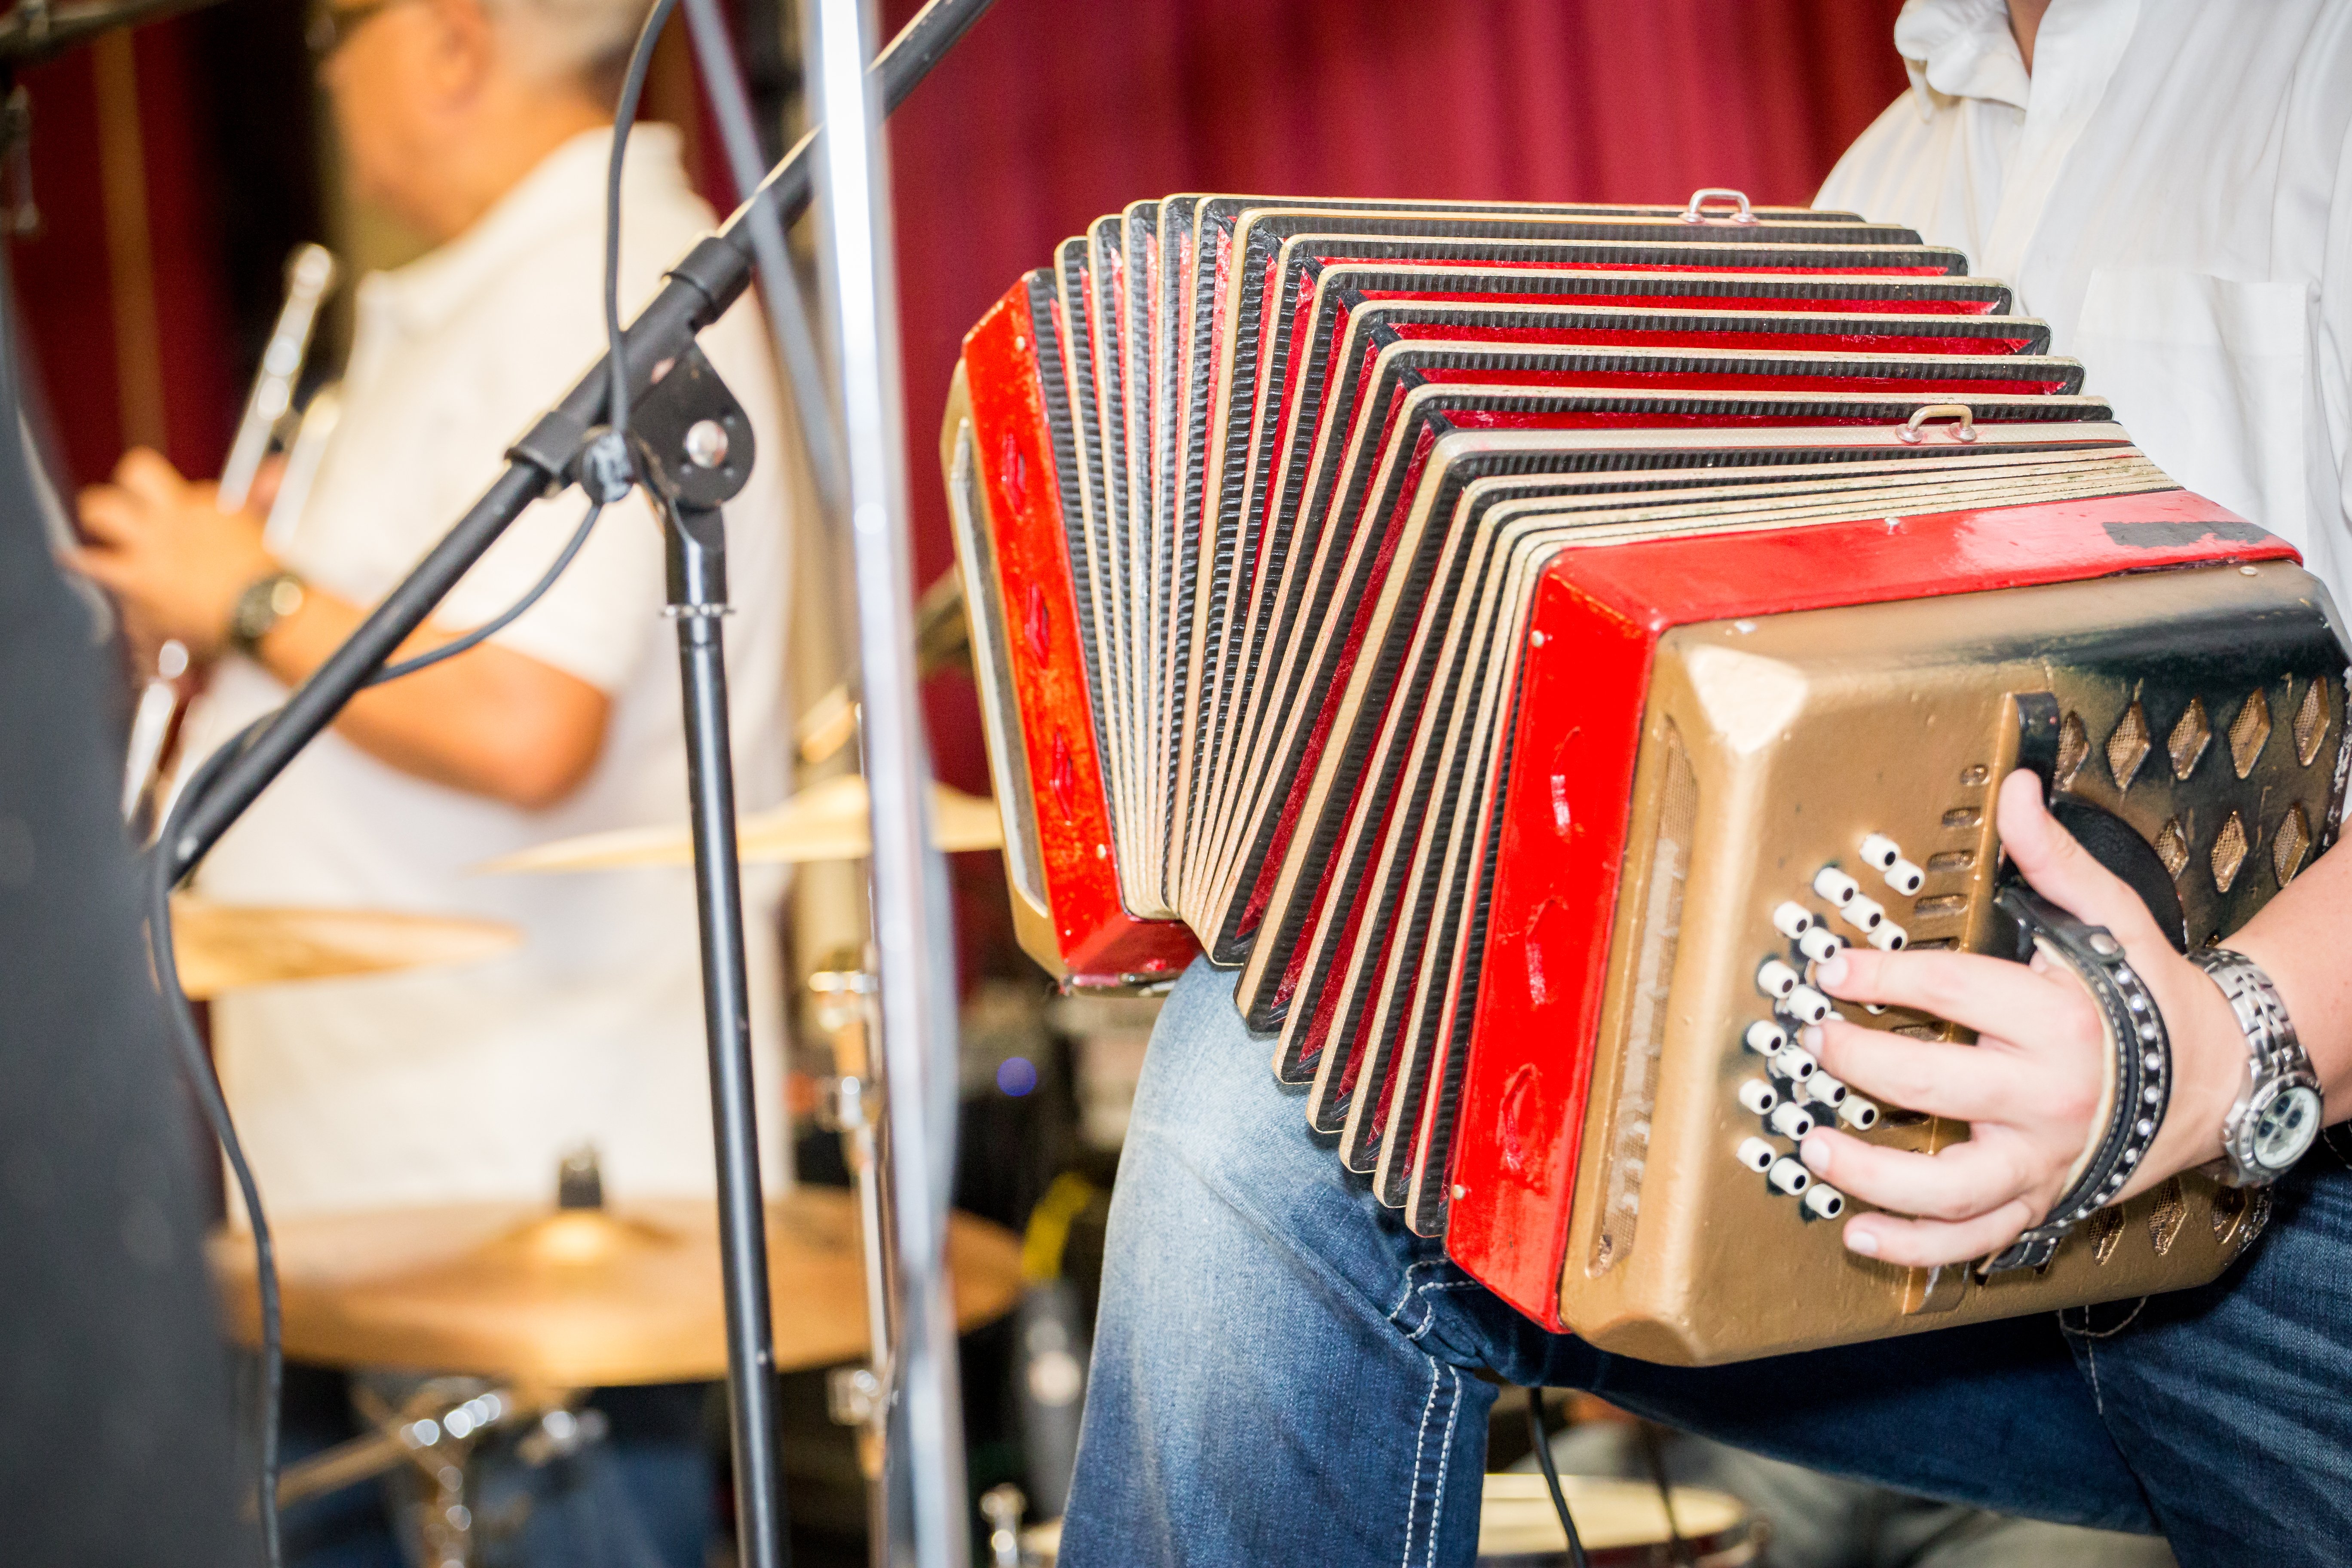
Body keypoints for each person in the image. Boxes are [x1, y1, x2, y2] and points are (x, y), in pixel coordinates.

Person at [1054, 3, 2352, 1565]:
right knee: (1275, 1100)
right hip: (1973, 1186)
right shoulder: (1890, 188)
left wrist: (2207, 1050)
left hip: (2307, 1213)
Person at [66, 0, 798, 1561]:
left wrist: (253, 595)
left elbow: (534, 721)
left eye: (339, 28)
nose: (321, 71)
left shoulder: (608, 284)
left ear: (454, 41)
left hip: (513, 1193)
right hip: (369, 1185)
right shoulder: (479, 301)